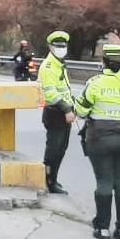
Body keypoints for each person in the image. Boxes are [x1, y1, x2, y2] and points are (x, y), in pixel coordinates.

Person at [75, 44, 120, 239]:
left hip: (100, 139)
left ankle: (102, 228)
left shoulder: (95, 83)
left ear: (103, 61)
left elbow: (80, 112)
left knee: (104, 181)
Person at [37, 31, 75, 194]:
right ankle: (48, 181)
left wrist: (73, 108)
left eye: (63, 46)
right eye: (57, 46)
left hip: (64, 113)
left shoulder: (60, 64)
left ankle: (54, 180)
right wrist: (66, 109)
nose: (61, 49)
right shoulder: (49, 66)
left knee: (61, 149)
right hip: (55, 113)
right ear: (50, 47)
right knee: (53, 150)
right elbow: (51, 94)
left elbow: (65, 90)